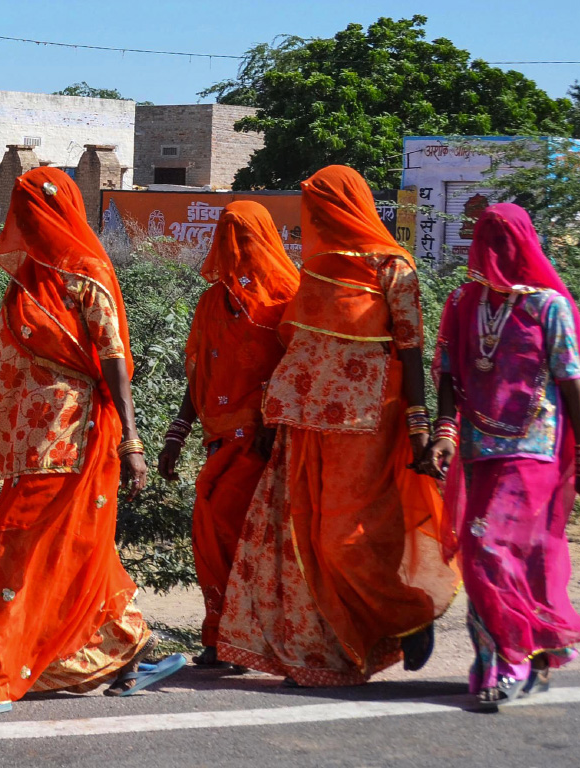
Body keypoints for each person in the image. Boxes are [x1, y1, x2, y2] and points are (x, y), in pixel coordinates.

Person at [0, 167, 186, 720]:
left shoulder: (87, 271)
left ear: (54, 210)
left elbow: (113, 361)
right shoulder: (28, 278)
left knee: (19, 549)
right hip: (24, 439)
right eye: (19, 208)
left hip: (70, 437)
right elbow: (5, 358)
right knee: (74, 547)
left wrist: (133, 442)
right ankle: (126, 650)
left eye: (29, 207)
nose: (21, 219)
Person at [217, 165, 458, 687]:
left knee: (344, 541)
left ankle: (405, 615)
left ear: (345, 205)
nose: (312, 216)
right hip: (305, 424)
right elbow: (300, 349)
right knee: (299, 536)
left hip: (371, 422)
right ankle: (321, 653)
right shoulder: (316, 269)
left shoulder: (393, 268)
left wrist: (420, 424)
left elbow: (411, 351)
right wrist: (270, 413)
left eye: (319, 204)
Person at [423, 203, 580, 710]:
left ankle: (509, 657)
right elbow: (450, 377)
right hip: (479, 448)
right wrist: (445, 433)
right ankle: (499, 654)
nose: (494, 248)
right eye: (487, 236)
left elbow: (573, 385)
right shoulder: (462, 301)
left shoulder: (549, 307)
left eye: (504, 238)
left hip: (533, 449)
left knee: (486, 545)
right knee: (488, 554)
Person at [156, 201, 299, 669]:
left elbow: (296, 372)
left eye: (243, 234)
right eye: (227, 233)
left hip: (263, 442)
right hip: (219, 438)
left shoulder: (287, 298)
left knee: (249, 539)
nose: (234, 245)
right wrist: (178, 432)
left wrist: (274, 426)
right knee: (212, 535)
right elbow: (198, 373)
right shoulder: (212, 301)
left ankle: (249, 642)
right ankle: (221, 637)